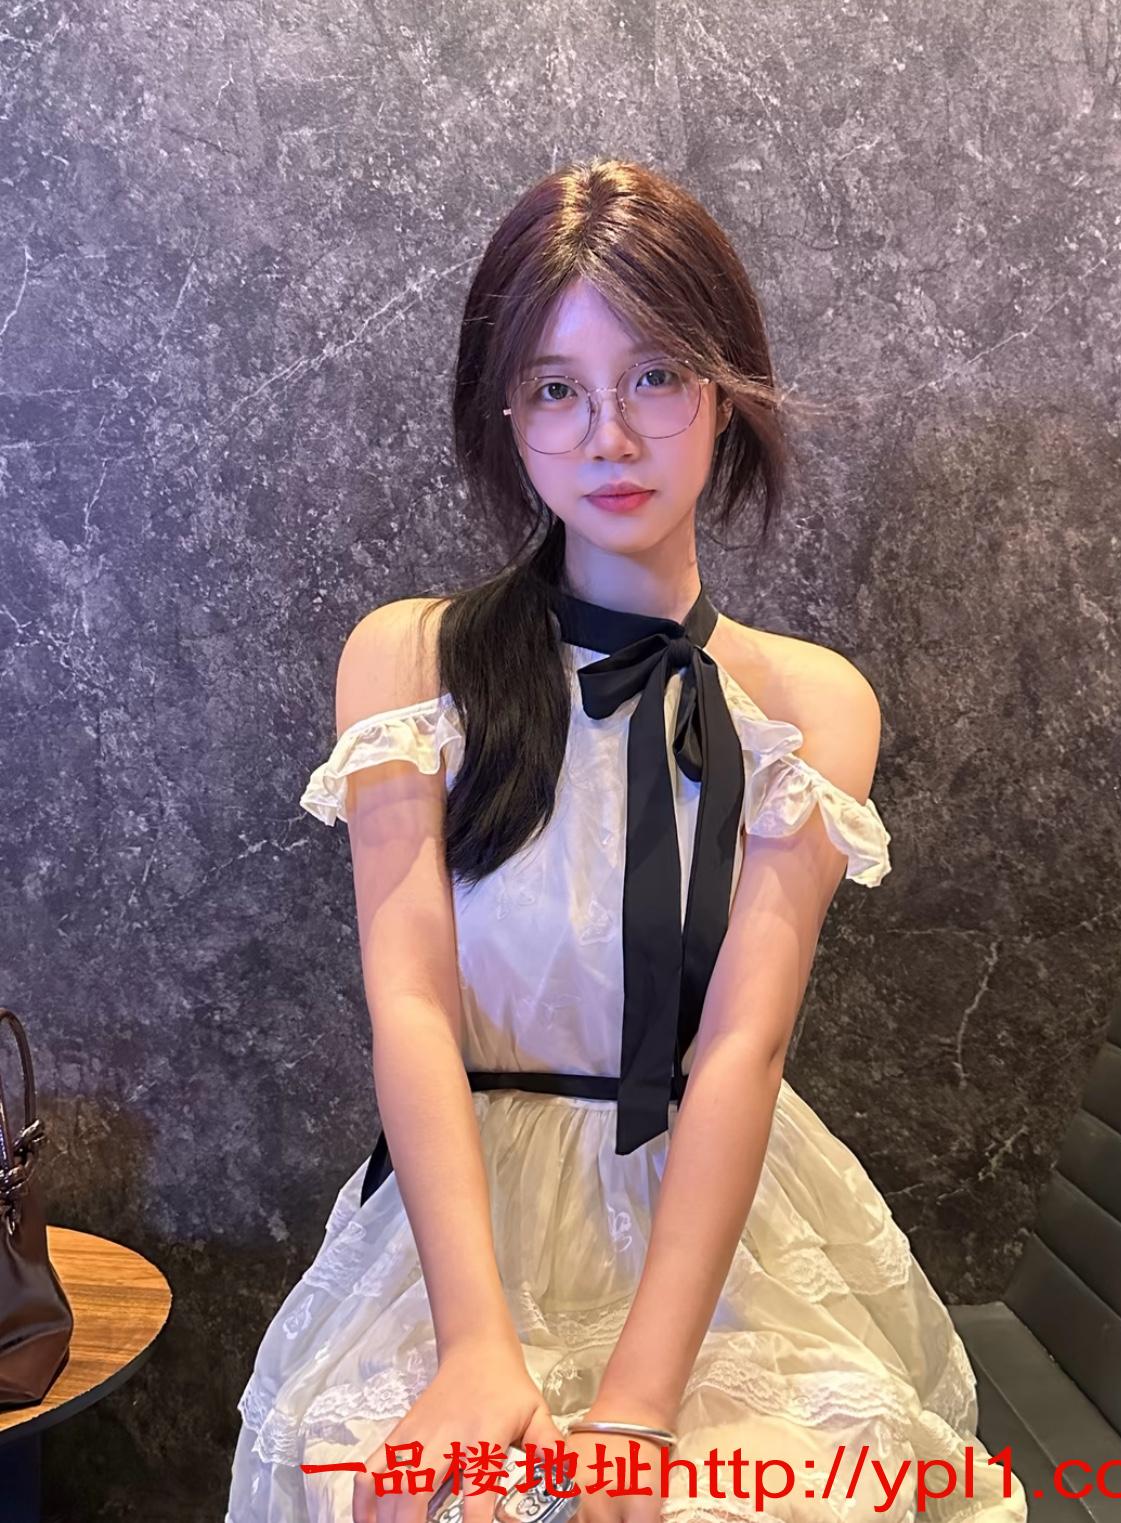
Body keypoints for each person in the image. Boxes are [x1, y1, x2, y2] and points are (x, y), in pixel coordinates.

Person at [226, 157, 1028, 1523]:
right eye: (555, 389)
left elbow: (741, 1049)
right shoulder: (409, 663)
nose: (608, 437)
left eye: (654, 377)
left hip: (718, 1234)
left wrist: (639, 1411)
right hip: (459, 1231)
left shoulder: (812, 708)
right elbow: (410, 1003)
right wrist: (476, 1350)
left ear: (724, 391)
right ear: (505, 414)